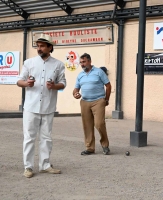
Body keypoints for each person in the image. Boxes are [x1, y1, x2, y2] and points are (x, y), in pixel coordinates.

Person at [17, 34, 66, 178]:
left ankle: (45, 165)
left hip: (48, 106)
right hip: (31, 106)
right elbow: (19, 81)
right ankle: (28, 167)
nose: (39, 48)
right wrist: (27, 83)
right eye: (38, 45)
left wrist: (54, 85)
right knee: (29, 137)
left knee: (46, 138)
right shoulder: (29, 62)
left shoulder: (58, 65)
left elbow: (63, 83)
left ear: (50, 47)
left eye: (42, 46)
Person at [73, 53, 111, 156]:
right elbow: (76, 88)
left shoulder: (99, 72)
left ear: (89, 61)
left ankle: (105, 145)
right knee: (87, 125)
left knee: (99, 124)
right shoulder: (80, 75)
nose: (82, 64)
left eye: (84, 62)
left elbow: (108, 86)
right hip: (85, 102)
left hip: (98, 101)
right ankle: (89, 148)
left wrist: (106, 99)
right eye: (81, 62)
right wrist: (75, 93)